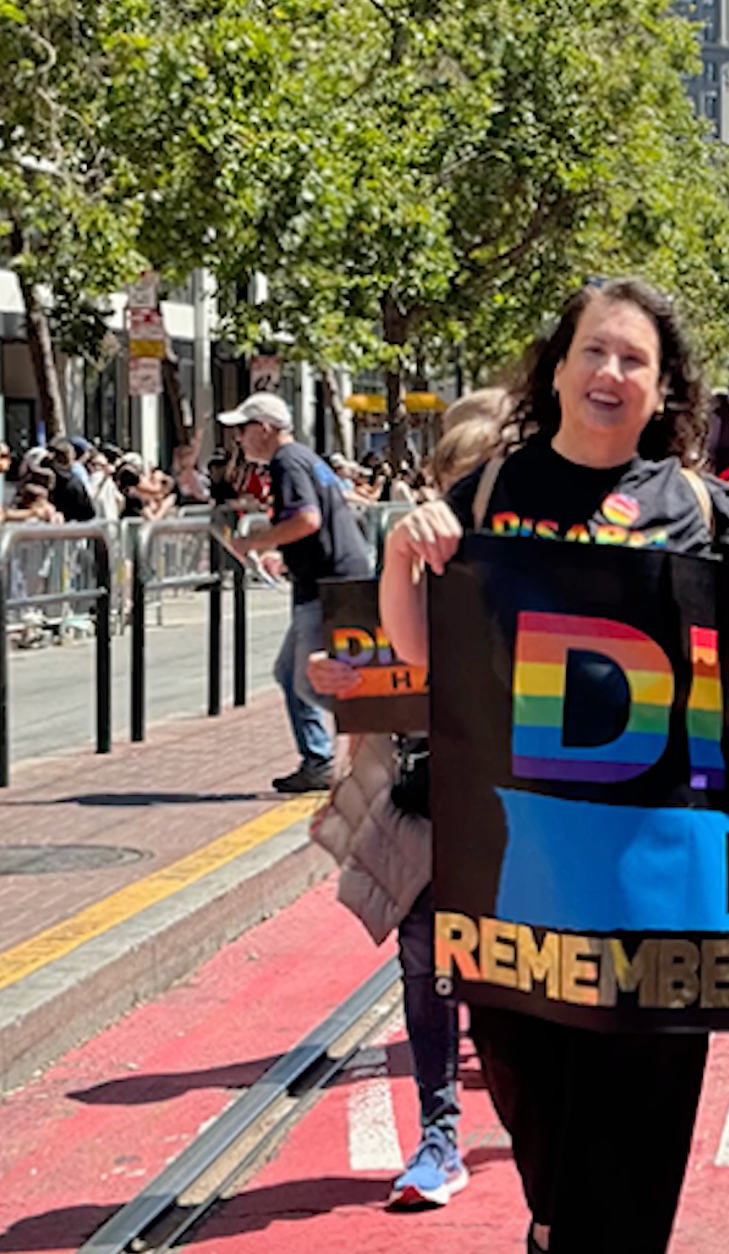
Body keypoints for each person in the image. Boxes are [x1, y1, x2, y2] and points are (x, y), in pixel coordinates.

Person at [379, 277, 729, 1254]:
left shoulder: (698, 507)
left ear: (662, 390)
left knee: (628, 1166)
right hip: (515, 887)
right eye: (595, 349)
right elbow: (422, 656)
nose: (611, 372)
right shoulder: (488, 494)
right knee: (545, 1141)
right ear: (558, 367)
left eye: (635, 359)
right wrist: (401, 555)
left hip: (662, 894)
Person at [305, 394, 508, 1212]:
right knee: (425, 965)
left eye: (482, 487)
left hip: (521, 817)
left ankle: (529, 1110)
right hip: (427, 810)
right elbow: (374, 677)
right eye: (454, 488)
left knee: (510, 978)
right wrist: (334, 681)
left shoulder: (551, 579)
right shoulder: (405, 571)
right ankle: (439, 1133)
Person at [221, 393, 375, 792]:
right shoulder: (305, 458)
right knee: (291, 674)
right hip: (333, 577)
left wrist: (254, 542)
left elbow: (307, 519)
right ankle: (321, 757)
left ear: (264, 428)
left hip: (326, 585)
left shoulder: (287, 462)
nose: (239, 438)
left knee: (308, 680)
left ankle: (379, 734)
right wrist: (284, 555)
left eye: (243, 429)